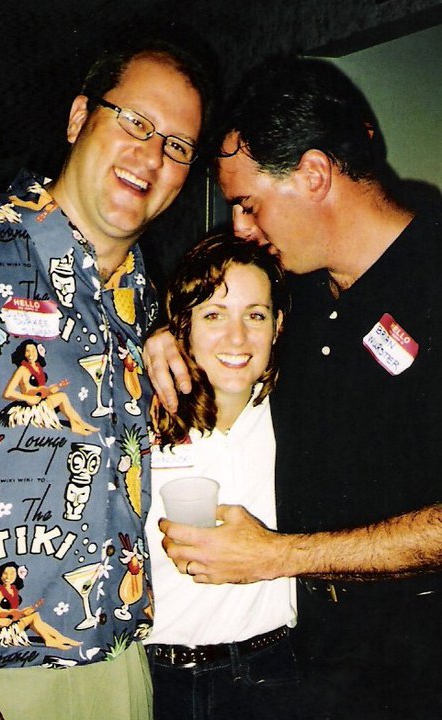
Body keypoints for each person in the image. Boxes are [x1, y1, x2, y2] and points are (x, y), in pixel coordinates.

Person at [144, 56, 442, 719]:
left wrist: (279, 556)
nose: (240, 228)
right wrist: (160, 333)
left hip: (415, 672)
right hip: (299, 668)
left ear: (313, 175)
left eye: (247, 204)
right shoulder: (295, 294)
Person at [0, 34, 212, 720]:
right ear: (79, 118)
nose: (152, 155)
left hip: (120, 671)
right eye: (135, 121)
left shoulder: (143, 300)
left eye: (177, 146)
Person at [143, 233, 299, 720]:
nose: (237, 338)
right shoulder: (137, 418)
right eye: (213, 315)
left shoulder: (295, 414)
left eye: (255, 315)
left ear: (277, 326)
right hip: (156, 679)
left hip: (271, 673)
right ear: (183, 327)